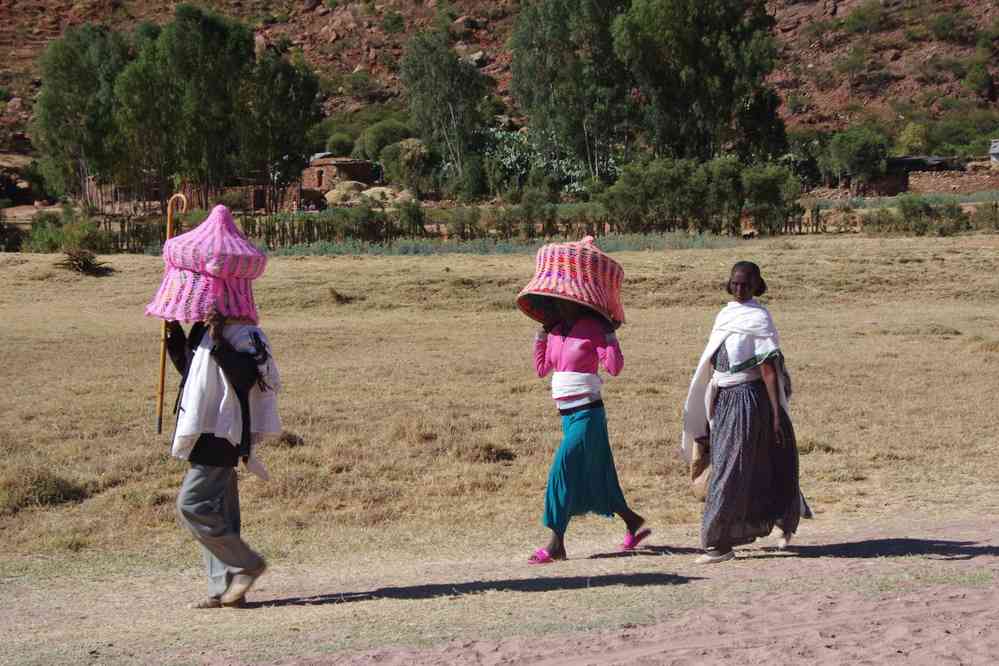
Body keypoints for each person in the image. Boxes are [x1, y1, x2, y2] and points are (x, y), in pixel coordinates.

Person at [681, 261, 810, 564]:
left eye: (746, 284)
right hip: (723, 399)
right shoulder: (726, 315)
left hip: (748, 401)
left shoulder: (758, 318)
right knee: (747, 468)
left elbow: (768, 370)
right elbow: (714, 362)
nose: (739, 289)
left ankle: (716, 543)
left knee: (728, 470)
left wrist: (777, 414)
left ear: (756, 286)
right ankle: (769, 521)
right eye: (735, 283)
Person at [166, 309, 281, 607]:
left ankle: (247, 564)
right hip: (205, 428)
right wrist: (173, 331)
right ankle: (227, 590)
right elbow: (190, 373)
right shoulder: (202, 330)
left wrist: (219, 339)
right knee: (220, 511)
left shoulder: (246, 333)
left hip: (226, 430)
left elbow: (246, 378)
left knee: (192, 505)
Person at [529, 297, 649, 564]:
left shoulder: (592, 328)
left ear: (576, 302)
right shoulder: (556, 331)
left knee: (561, 470)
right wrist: (540, 336)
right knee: (596, 475)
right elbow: (541, 369)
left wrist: (609, 335)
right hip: (567, 418)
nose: (557, 307)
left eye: (562, 302)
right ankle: (632, 520)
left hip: (588, 415)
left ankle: (556, 544)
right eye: (554, 303)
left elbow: (614, 368)